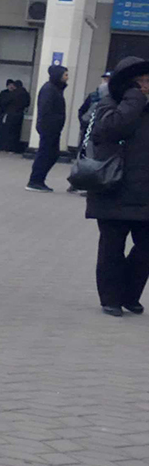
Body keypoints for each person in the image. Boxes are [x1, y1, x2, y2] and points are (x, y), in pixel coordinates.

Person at [86, 56, 149, 316]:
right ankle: (110, 298)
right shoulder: (108, 105)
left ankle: (129, 293)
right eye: (139, 82)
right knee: (112, 247)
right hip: (113, 187)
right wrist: (134, 100)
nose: (145, 86)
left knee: (145, 249)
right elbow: (110, 130)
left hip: (144, 191)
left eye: (148, 81)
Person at [28, 63, 70, 192]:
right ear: (58, 75)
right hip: (49, 128)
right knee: (45, 154)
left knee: (52, 154)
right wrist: (52, 123)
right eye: (65, 75)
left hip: (53, 128)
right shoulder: (49, 89)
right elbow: (45, 110)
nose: (67, 77)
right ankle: (35, 181)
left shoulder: (56, 89)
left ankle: (39, 179)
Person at [0, 77, 30, 153]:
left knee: (7, 132)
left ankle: (5, 148)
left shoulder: (13, 93)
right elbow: (27, 104)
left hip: (10, 115)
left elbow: (4, 102)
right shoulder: (26, 94)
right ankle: (14, 149)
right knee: (16, 132)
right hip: (20, 115)